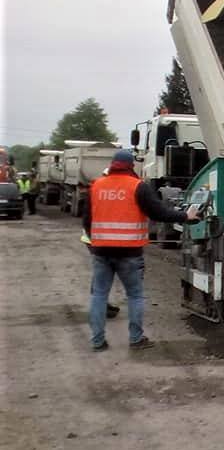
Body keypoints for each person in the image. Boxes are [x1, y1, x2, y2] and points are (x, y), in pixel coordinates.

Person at [83, 149, 198, 352]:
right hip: (129, 253)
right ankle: (136, 339)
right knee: (134, 296)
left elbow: (86, 222)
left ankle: (97, 341)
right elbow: (159, 213)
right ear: (131, 166)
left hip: (101, 252)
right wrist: (185, 216)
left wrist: (98, 241)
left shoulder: (96, 186)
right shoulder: (137, 187)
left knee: (99, 295)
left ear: (112, 165)